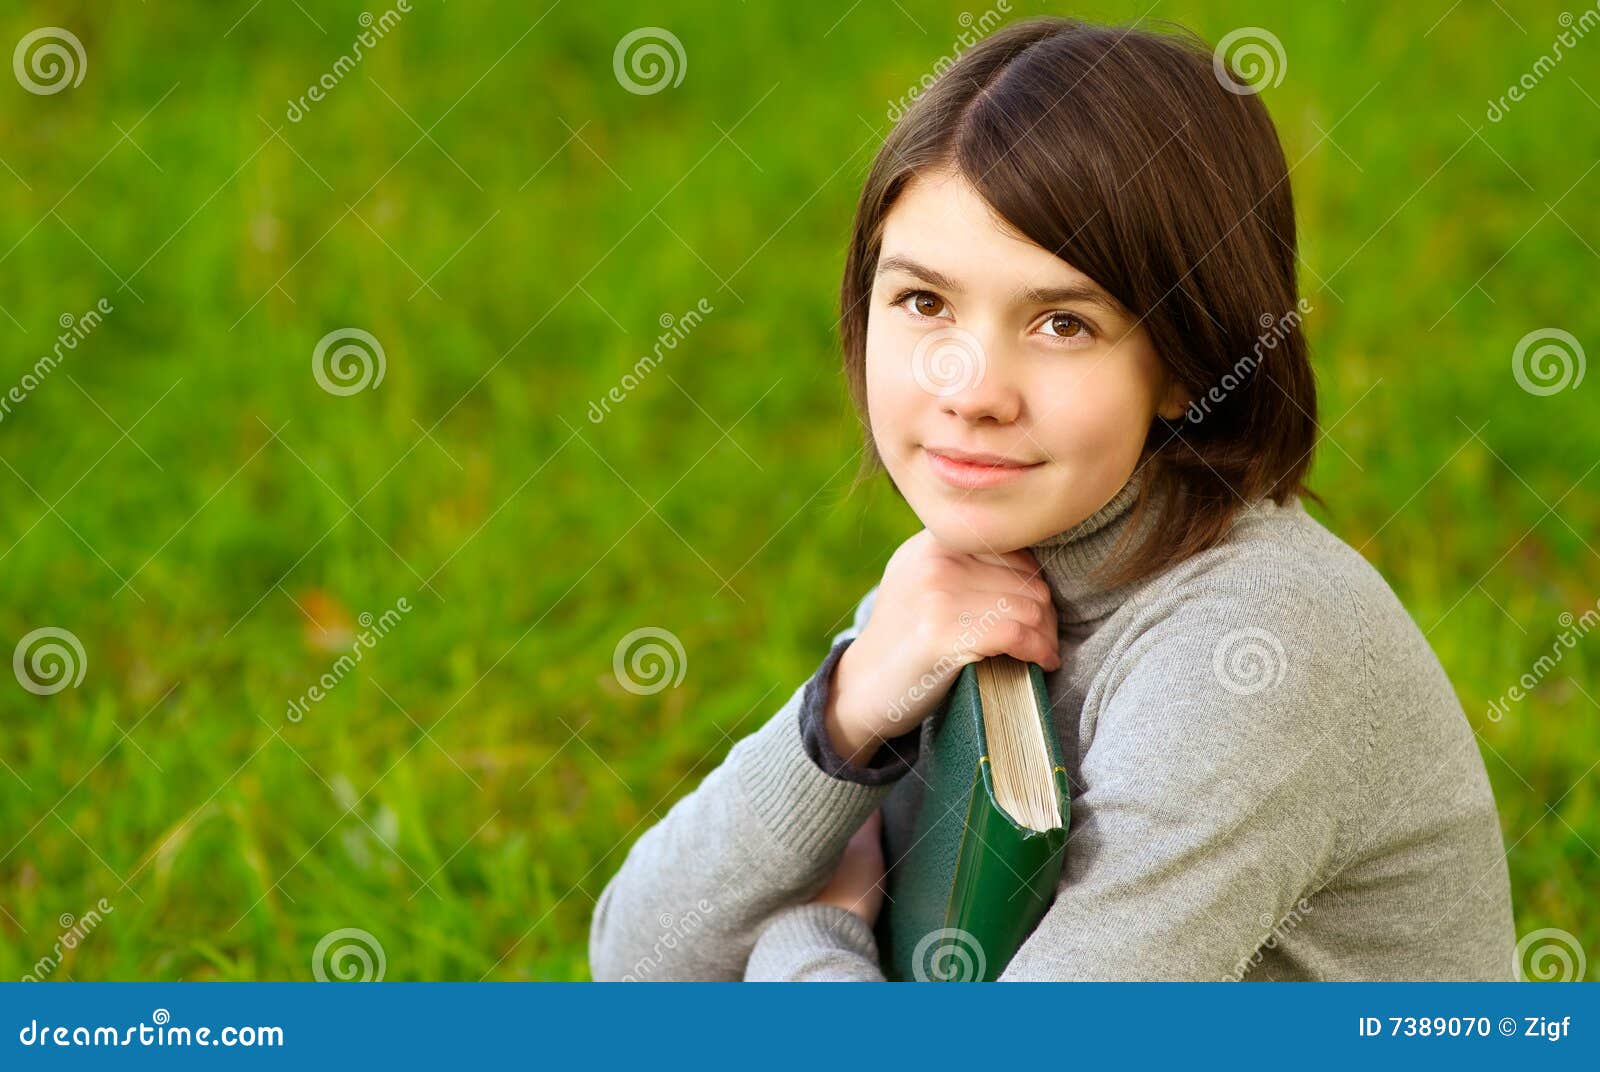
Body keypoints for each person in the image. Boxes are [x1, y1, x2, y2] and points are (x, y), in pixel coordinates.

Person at [589, 15, 1514, 981]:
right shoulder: (976, 564)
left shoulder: (1249, 659)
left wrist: (810, 939)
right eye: (923, 302)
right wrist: (847, 712)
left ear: (1189, 363)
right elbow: (636, 959)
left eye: (1063, 323)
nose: (972, 389)